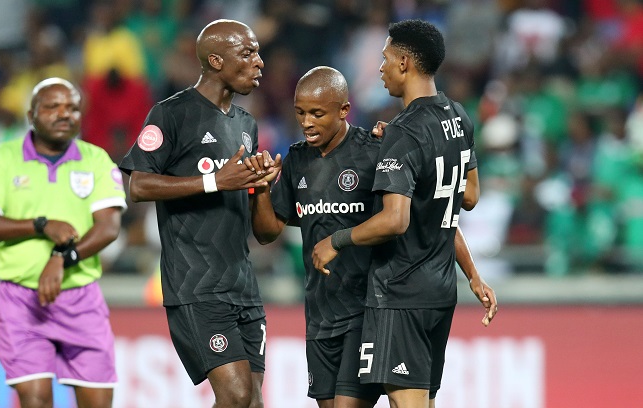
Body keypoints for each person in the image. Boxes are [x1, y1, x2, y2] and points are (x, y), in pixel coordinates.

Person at [250, 66, 496, 408]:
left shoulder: (376, 152)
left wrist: (471, 274)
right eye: (300, 113)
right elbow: (267, 232)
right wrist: (260, 190)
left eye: (317, 114)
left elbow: (429, 217)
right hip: (320, 314)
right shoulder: (296, 161)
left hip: (367, 310)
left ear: (344, 110)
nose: (307, 122)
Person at [311, 20, 497, 408]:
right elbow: (468, 198)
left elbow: (396, 220)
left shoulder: (405, 132)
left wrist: (336, 240)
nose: (380, 68)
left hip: (401, 291)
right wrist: (474, 277)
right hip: (441, 291)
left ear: (405, 63)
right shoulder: (458, 117)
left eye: (385, 59)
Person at [118, 19, 274, 408]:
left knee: (252, 401)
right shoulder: (171, 114)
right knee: (235, 395)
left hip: (242, 283)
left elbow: (262, 228)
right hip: (196, 283)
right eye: (248, 53)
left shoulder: (246, 125)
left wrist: (262, 187)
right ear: (216, 60)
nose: (259, 63)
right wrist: (214, 182)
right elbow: (138, 185)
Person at [0, 77, 127, 408]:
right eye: (52, 107)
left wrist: (62, 259)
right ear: (31, 114)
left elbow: (109, 228)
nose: (64, 114)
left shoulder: (96, 160)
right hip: (21, 300)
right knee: (36, 399)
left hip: (81, 299)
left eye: (72, 108)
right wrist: (41, 225)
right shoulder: (1, 158)